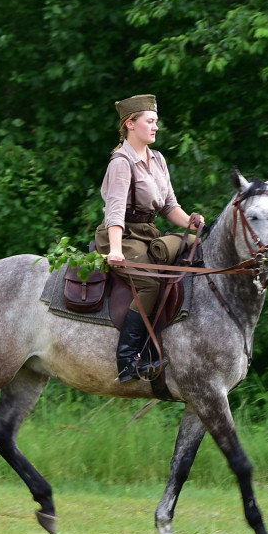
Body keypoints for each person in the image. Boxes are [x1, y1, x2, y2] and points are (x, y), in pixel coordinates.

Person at [94, 94, 205, 383]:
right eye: (150, 121)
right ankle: (128, 359)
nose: (155, 127)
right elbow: (115, 212)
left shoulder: (157, 159)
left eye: (156, 122)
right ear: (130, 124)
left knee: (193, 248)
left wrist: (190, 223)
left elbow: (169, 206)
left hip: (147, 234)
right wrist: (115, 251)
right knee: (150, 283)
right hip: (122, 235)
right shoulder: (121, 162)